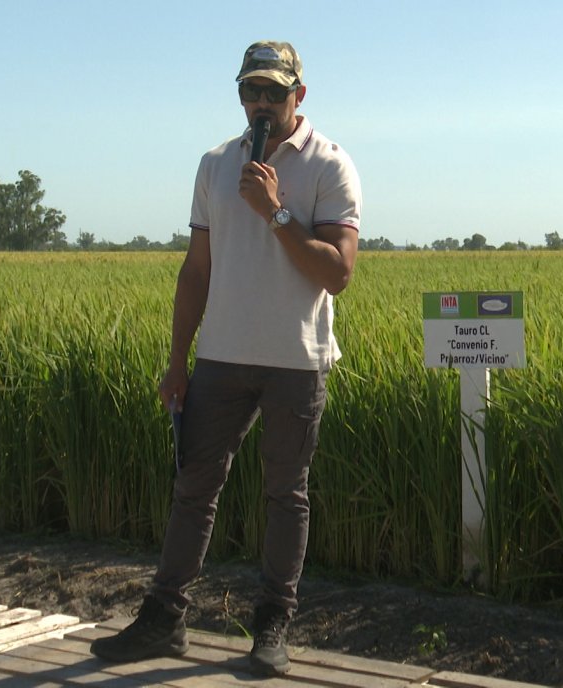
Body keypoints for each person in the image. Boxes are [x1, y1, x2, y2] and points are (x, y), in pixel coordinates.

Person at [91, 39, 362, 677]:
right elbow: (197, 270)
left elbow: (339, 273)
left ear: (300, 94)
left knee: (284, 495)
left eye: (274, 91)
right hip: (220, 358)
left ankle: (272, 624)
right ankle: (165, 619)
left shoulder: (330, 164)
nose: (261, 104)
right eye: (250, 91)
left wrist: (275, 212)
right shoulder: (215, 164)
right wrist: (177, 360)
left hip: (297, 360)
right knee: (193, 489)